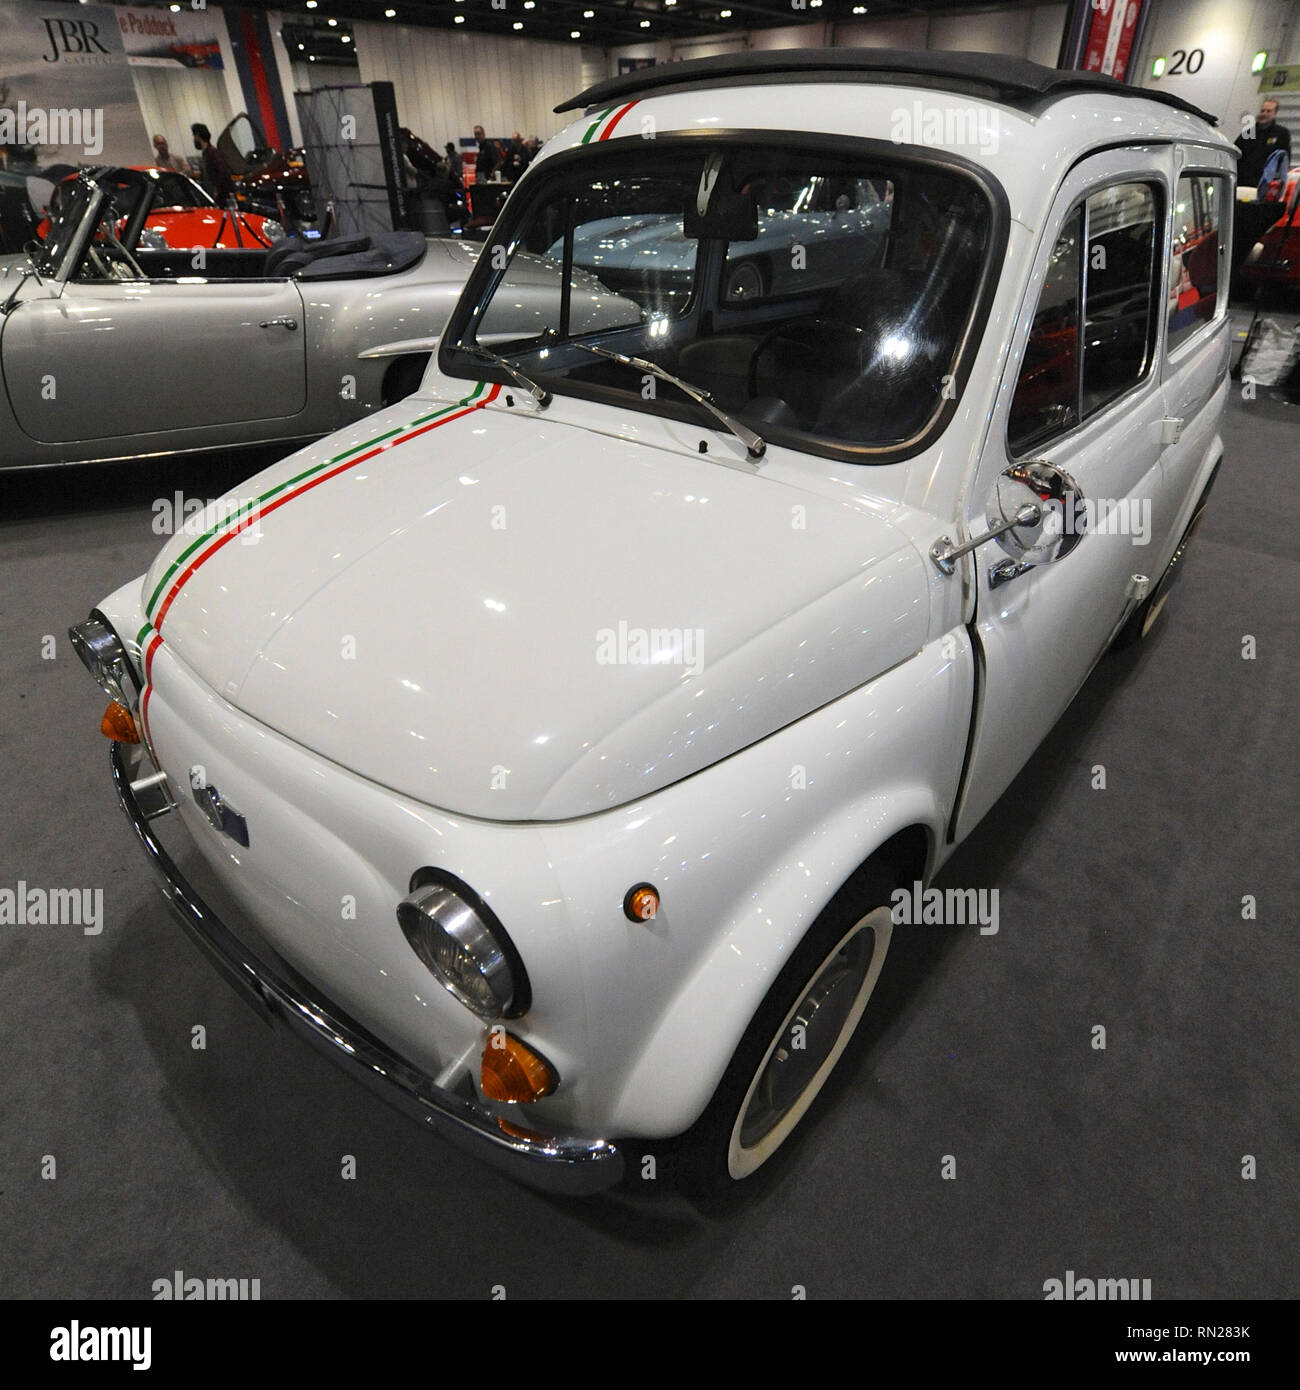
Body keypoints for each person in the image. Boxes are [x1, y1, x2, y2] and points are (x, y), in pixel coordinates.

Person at [1235, 98, 1291, 194]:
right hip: (1243, 183)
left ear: (1275, 113)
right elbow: (1236, 152)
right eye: (1262, 110)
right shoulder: (1248, 132)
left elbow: (1285, 160)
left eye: (1268, 111)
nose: (1264, 114)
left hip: (1265, 185)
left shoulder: (1282, 133)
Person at [191, 122, 235, 205]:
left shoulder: (212, 153)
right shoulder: (207, 153)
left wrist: (217, 190)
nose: (193, 139)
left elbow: (223, 172)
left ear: (198, 136)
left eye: (194, 136)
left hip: (221, 196)